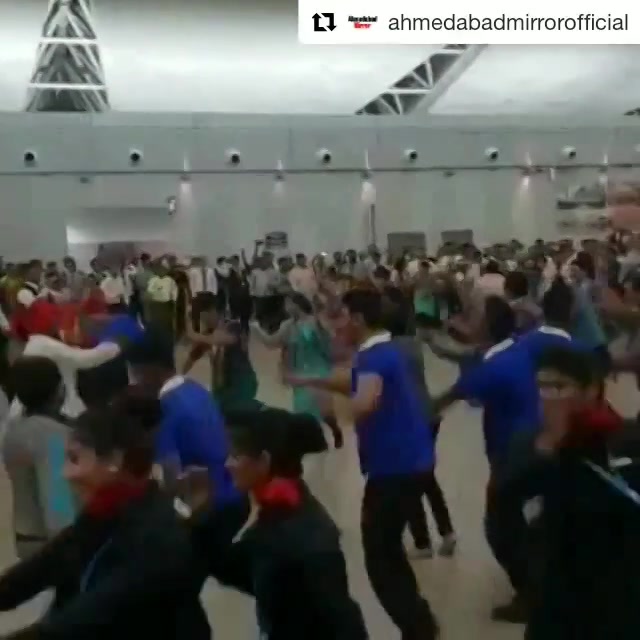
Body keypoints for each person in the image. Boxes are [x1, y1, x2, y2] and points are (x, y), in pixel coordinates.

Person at [288, 289, 439, 640]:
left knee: (379, 558)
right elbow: (356, 382)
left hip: (394, 468)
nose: (337, 324)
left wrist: (337, 414)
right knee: (388, 550)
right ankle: (419, 620)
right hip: (408, 462)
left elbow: (365, 400)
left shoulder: (373, 358)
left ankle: (417, 629)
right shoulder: (384, 351)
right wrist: (310, 380)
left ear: (357, 319)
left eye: (341, 316)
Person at [0, 393, 210, 640]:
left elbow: (84, 619)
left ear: (114, 460)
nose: (66, 473)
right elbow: (45, 566)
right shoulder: (102, 513)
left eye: (75, 459)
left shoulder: (155, 536)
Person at [494, 346, 640, 640]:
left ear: (590, 391)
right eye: (541, 387)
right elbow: (504, 512)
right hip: (555, 602)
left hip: (616, 605)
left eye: (559, 387)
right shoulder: (528, 445)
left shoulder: (623, 443)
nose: (547, 398)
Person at [199, 407, 368, 640]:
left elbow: (341, 619)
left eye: (236, 456)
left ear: (264, 461)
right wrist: (203, 510)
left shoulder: (304, 535)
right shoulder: (277, 512)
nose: (228, 464)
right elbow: (237, 569)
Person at [127, 329, 239, 508]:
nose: (135, 383)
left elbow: (171, 478)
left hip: (207, 504)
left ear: (151, 370)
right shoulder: (196, 387)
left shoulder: (165, 407)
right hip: (231, 490)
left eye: (136, 375)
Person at [3, 357, 75, 559]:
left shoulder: (16, 429)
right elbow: (58, 505)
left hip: (27, 540)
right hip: (50, 546)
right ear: (60, 388)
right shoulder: (50, 436)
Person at [8, 300, 128, 420]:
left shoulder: (36, 343)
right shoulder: (45, 344)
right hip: (51, 410)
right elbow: (87, 359)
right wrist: (115, 345)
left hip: (34, 408)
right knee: (55, 437)